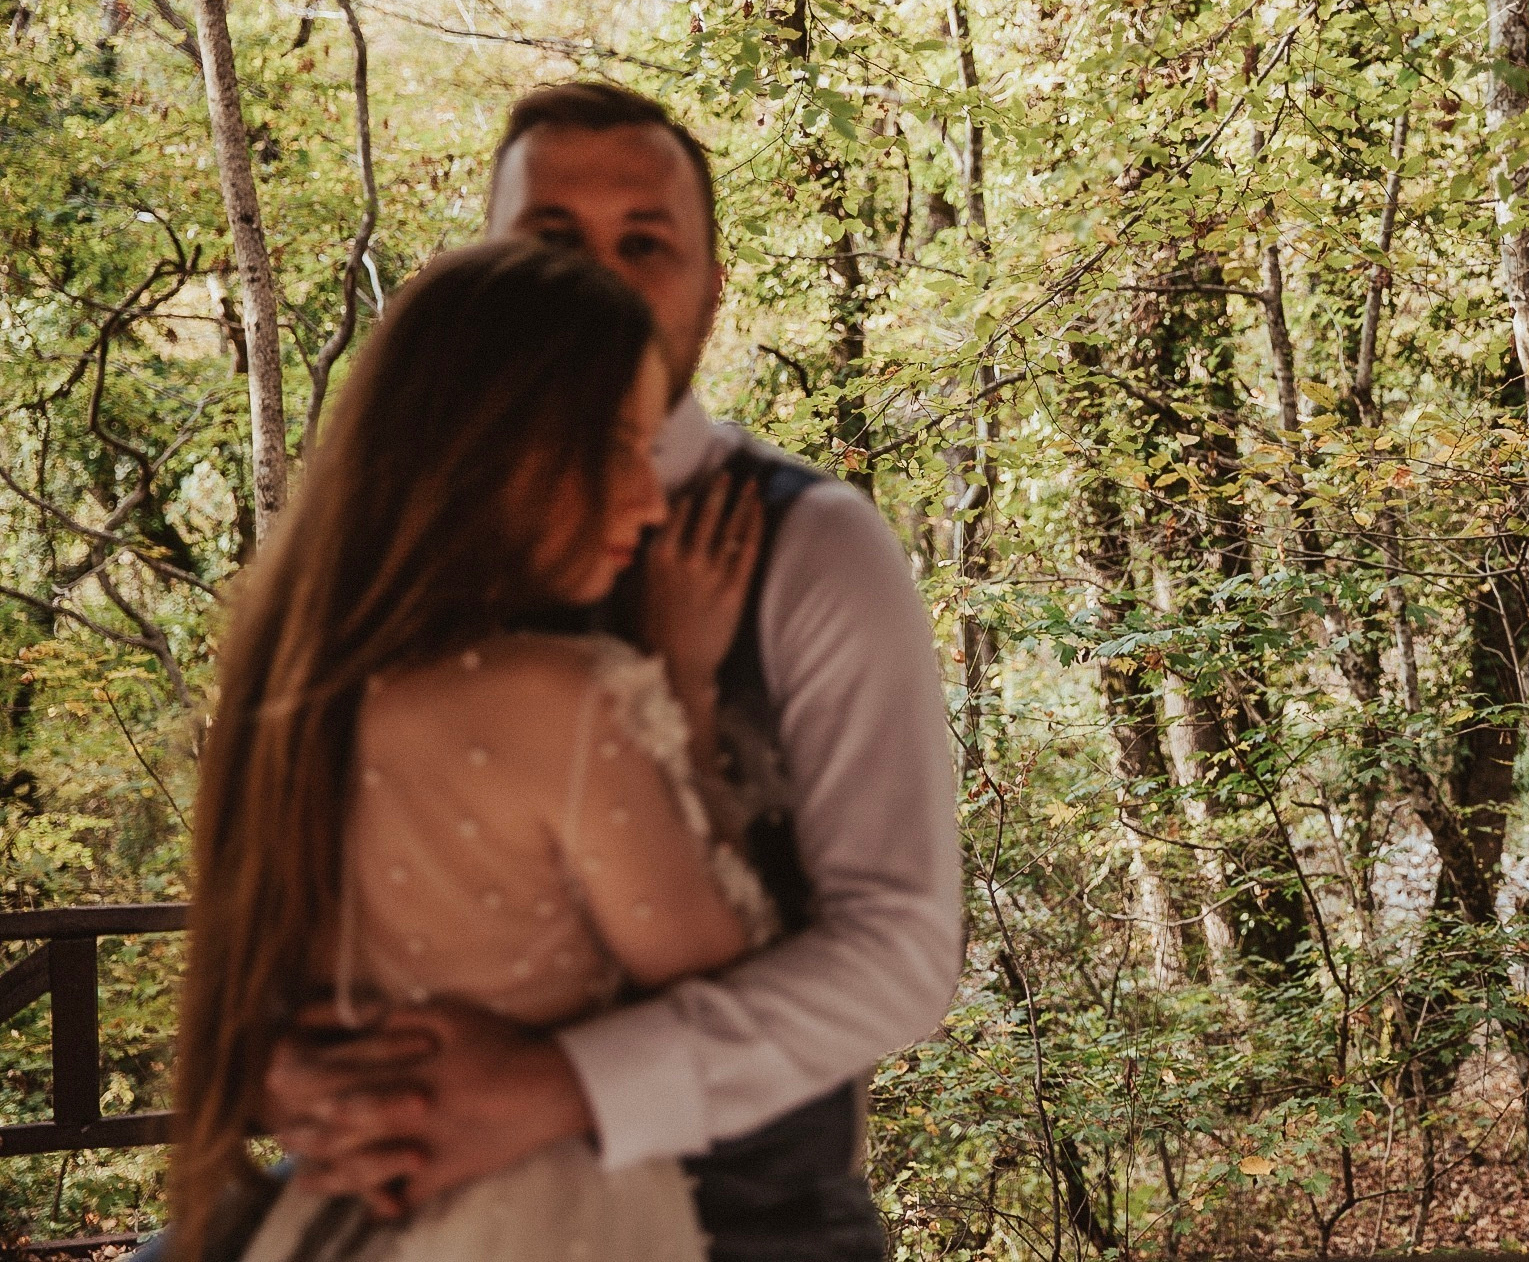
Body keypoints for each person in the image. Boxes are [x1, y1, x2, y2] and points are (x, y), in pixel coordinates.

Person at [142, 83, 960, 1261]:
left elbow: (899, 951)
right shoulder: (372, 560)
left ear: (712, 287)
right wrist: (290, 1071)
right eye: (555, 241)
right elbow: (284, 892)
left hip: (738, 1208)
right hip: (386, 1183)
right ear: (494, 269)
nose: (602, 278)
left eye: (645, 242)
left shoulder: (814, 547)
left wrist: (555, 1086)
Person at [169, 239, 779, 1262]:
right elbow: (732, 990)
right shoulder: (565, 701)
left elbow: (250, 1002)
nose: (648, 500)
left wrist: (298, 1079)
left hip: (344, 1215)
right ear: (502, 446)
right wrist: (682, 677)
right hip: (552, 1215)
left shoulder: (288, 689)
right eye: (621, 448)